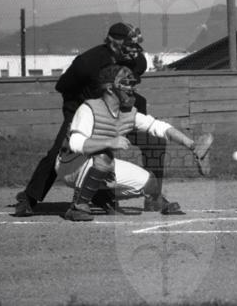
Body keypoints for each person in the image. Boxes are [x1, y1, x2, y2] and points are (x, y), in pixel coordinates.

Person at [14, 23, 210, 216]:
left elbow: (132, 94)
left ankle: (153, 197)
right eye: (129, 45)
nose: (134, 50)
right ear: (113, 43)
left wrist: (191, 144)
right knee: (60, 150)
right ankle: (29, 199)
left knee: (155, 141)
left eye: (136, 45)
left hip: (119, 113)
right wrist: (79, 113)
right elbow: (63, 87)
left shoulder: (137, 62)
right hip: (85, 110)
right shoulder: (87, 63)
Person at [58, 64, 212, 221]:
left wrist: (191, 145)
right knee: (103, 157)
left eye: (132, 84)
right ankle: (77, 207)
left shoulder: (128, 113)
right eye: (125, 83)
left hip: (97, 163)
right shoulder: (89, 108)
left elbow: (160, 127)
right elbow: (76, 144)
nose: (131, 88)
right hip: (70, 165)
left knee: (150, 183)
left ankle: (100, 195)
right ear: (110, 88)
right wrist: (110, 142)